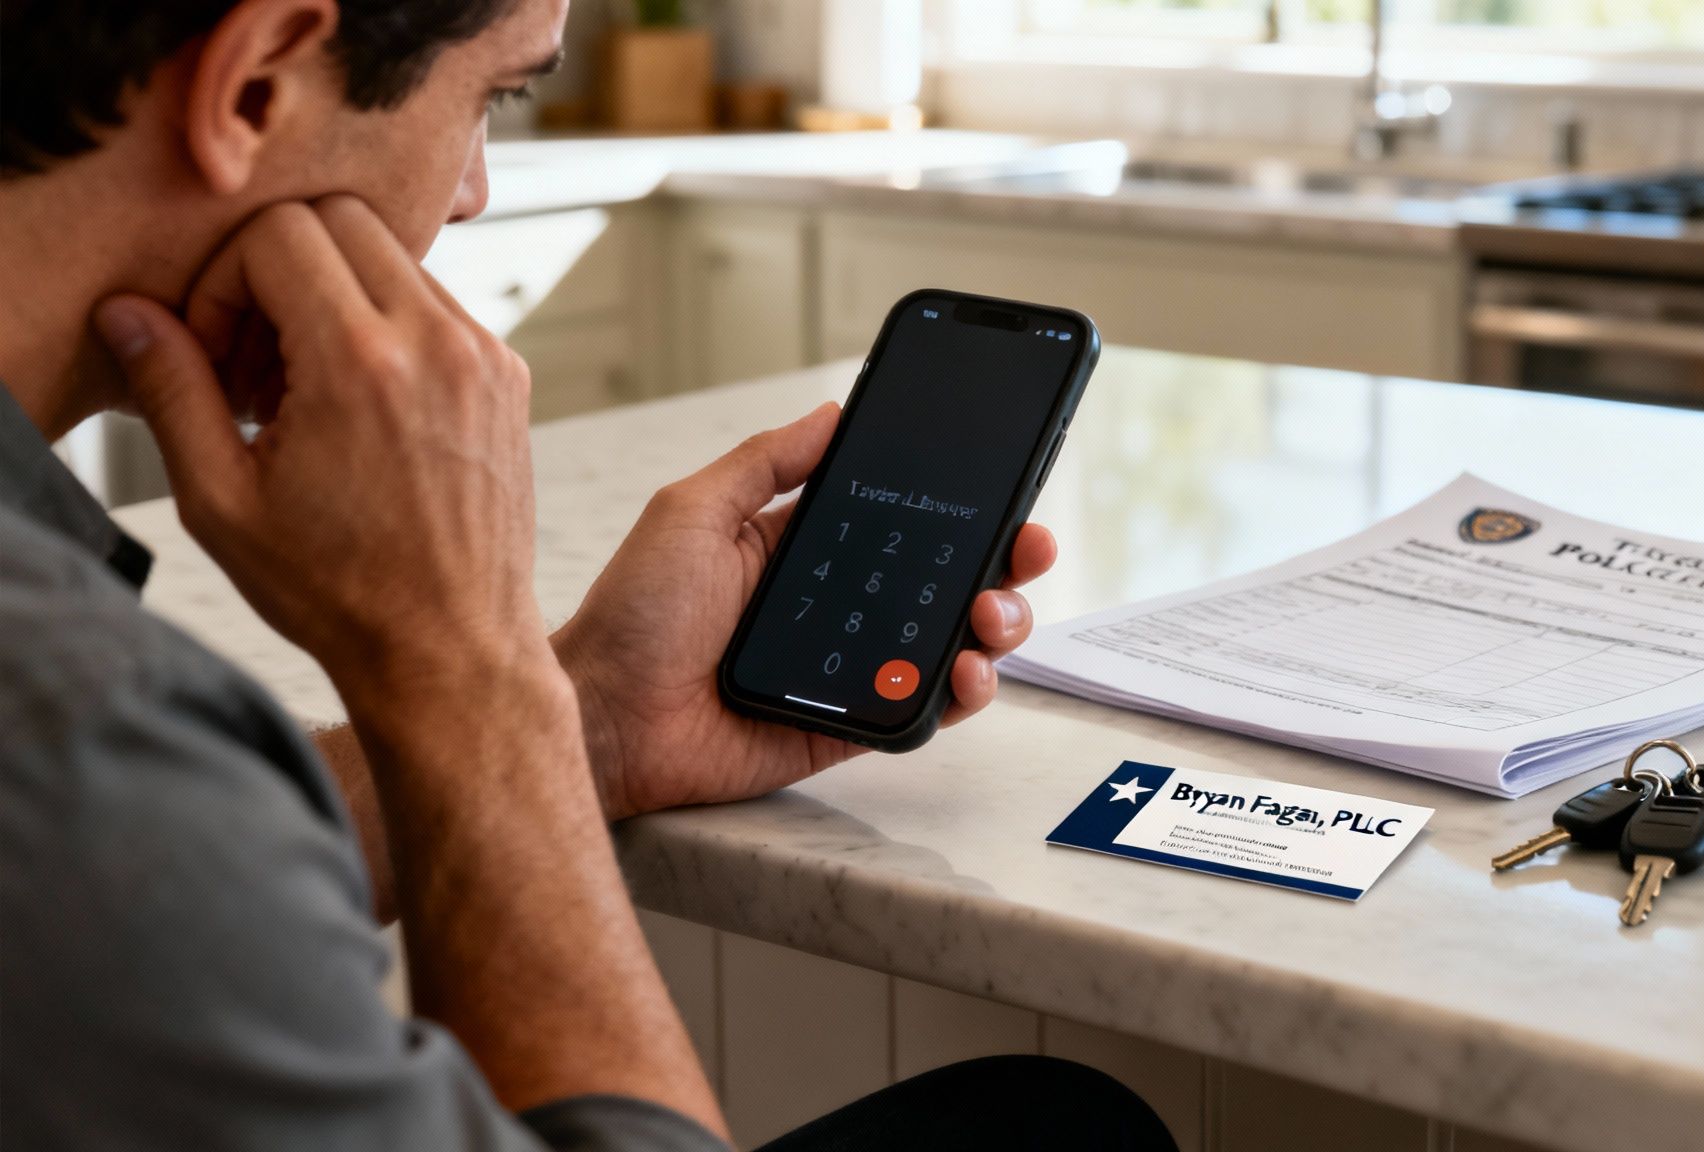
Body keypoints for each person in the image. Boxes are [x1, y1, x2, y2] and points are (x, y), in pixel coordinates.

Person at [0, 2, 1175, 1149]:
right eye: (493, 95)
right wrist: (462, 662)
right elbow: (102, 821)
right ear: (254, 82)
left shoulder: (94, 771)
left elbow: (138, 892)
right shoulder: (67, 721)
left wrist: (587, 722)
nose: (473, 192)